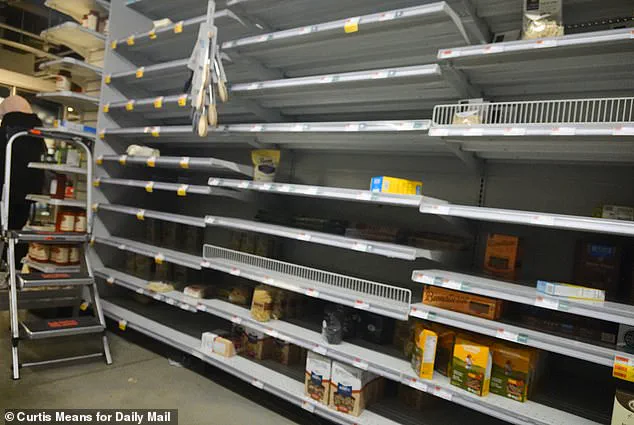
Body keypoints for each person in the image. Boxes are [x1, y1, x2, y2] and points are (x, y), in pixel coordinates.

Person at [0, 96, 46, 263]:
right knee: (16, 237)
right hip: (27, 197)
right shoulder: (38, 135)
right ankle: (13, 268)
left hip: (4, 195)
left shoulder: (6, 133)